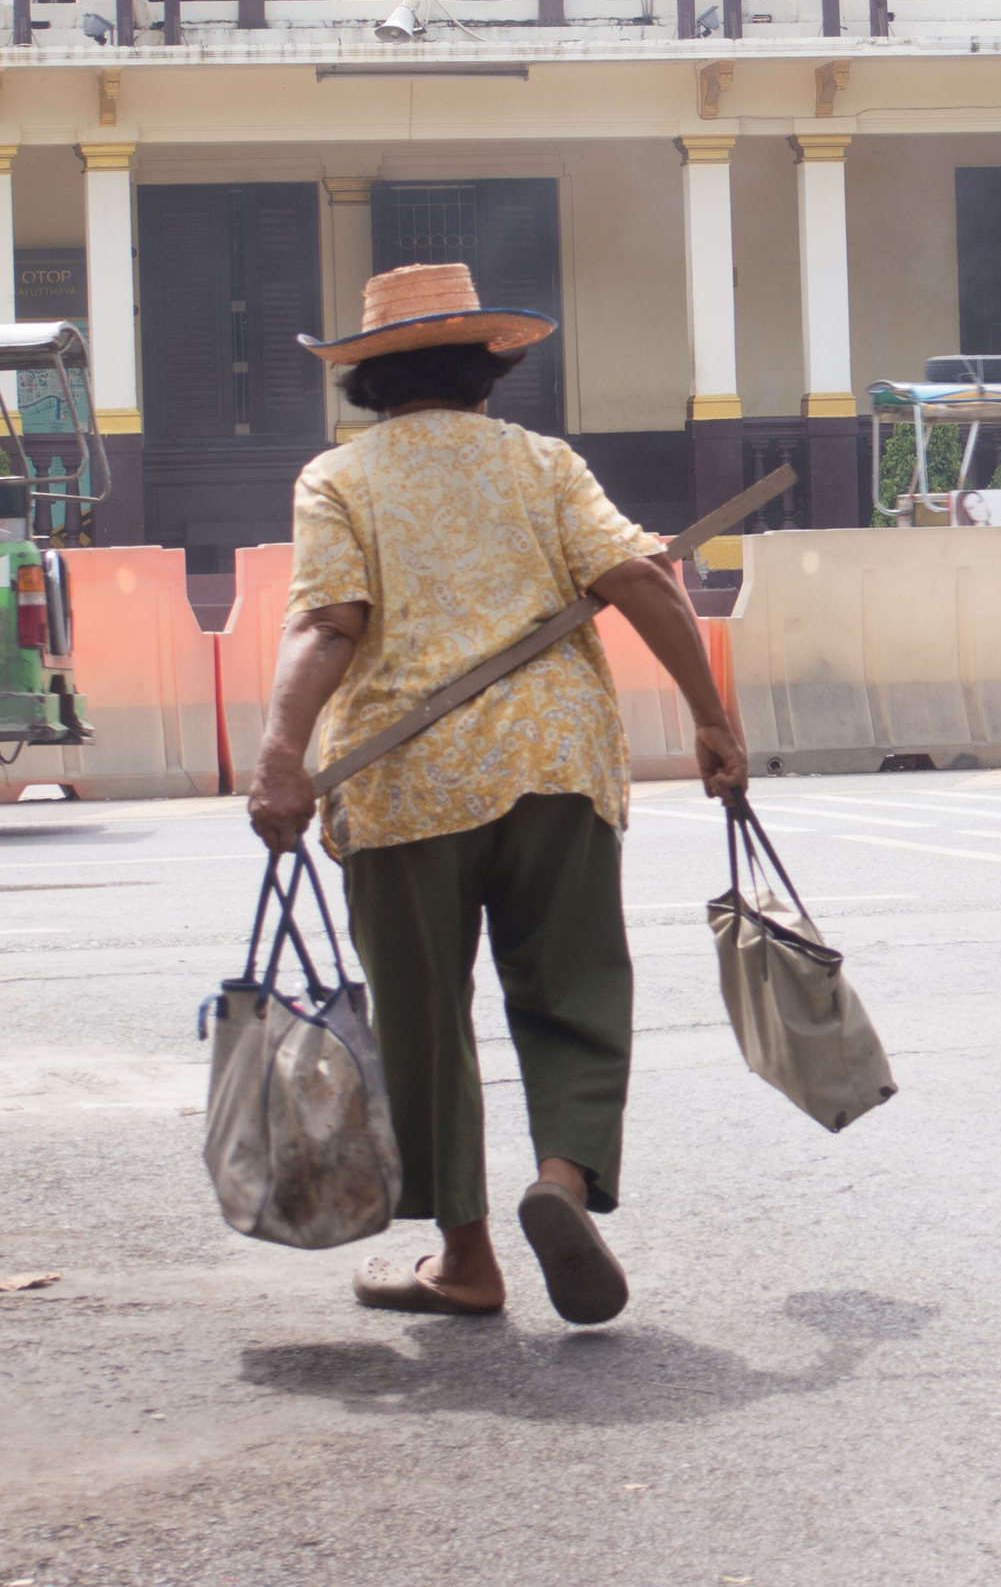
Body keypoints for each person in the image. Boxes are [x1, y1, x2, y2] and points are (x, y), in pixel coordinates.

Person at [248, 261, 748, 1325]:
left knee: (425, 1018)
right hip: (554, 766)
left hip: (402, 781)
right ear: (487, 367)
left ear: (371, 382)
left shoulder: (339, 478)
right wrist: (713, 716)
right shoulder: (542, 463)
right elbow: (641, 579)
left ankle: (466, 1257)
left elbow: (327, 622)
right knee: (573, 987)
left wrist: (281, 752)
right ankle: (560, 1180)